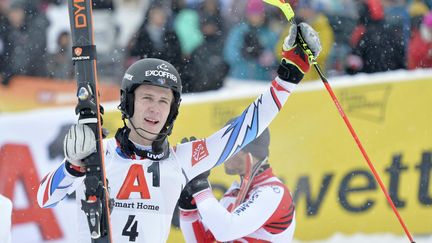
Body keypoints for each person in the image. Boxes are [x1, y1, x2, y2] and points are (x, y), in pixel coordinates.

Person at [37, 22, 321, 243]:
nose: (155, 110)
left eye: (164, 102)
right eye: (147, 98)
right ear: (128, 102)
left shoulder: (185, 159)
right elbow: (44, 198)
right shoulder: (103, 151)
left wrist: (291, 71)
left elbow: (248, 127)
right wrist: (73, 166)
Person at [179, 127, 295, 242]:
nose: (222, 155)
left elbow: (226, 231)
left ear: (245, 149)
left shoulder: (273, 193)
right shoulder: (234, 192)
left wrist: (200, 185)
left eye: (227, 147)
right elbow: (202, 240)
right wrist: (188, 207)